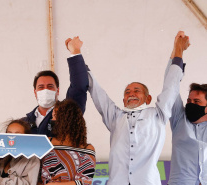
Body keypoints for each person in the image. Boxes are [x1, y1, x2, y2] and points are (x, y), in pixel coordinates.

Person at [81, 32, 189, 185]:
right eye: (127, 92)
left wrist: (178, 51)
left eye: (137, 91)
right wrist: (77, 57)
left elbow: (171, 86)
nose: (131, 94)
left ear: (148, 98)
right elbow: (97, 92)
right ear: (123, 100)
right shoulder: (115, 117)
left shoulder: (158, 114)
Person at [22, 36, 88, 136]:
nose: (45, 90)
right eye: (41, 87)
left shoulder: (67, 113)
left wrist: (75, 52)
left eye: (50, 86)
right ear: (35, 92)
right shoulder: (24, 123)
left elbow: (79, 87)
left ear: (57, 91)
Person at [168, 34, 206, 185]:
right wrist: (178, 52)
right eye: (189, 100)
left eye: (197, 101)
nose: (190, 104)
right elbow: (170, 86)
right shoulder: (179, 119)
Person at [41, 99, 96, 185]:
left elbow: (85, 181)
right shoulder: (46, 142)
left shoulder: (87, 148)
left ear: (66, 120)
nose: (52, 120)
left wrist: (55, 184)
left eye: (55, 116)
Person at [0, 119, 40, 185]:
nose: (12, 138)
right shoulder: (5, 157)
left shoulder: (32, 159)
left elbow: (29, 183)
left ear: (26, 137)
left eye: (18, 134)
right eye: (9, 134)